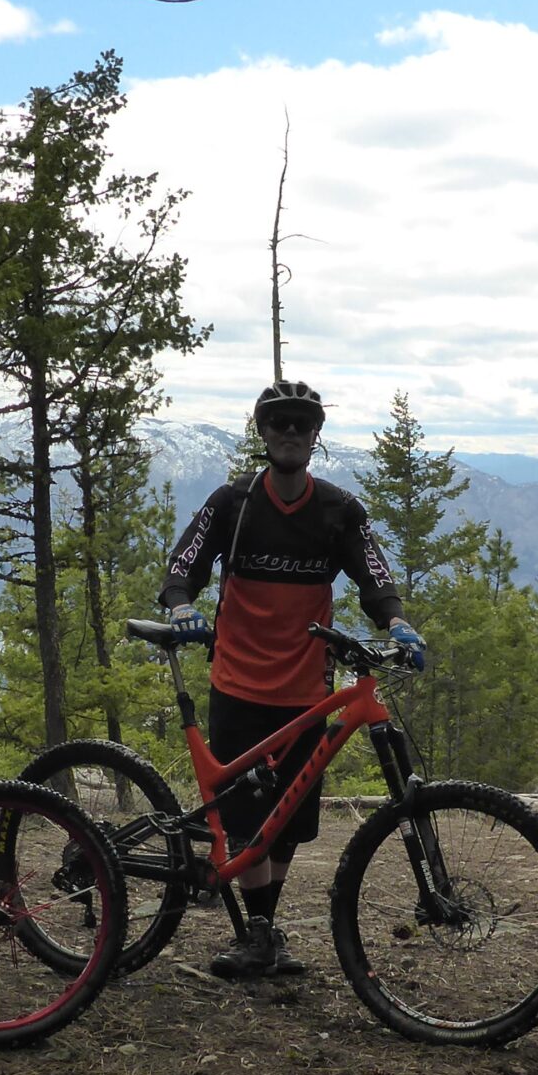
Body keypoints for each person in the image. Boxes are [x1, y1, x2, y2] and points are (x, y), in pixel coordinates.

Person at [156, 379, 428, 980]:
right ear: (263, 432)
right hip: (238, 682)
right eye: (278, 422)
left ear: (316, 435)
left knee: (288, 822)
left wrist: (398, 621)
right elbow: (184, 565)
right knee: (249, 818)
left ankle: (262, 929)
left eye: (301, 424)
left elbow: (373, 574)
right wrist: (180, 605)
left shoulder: (337, 510)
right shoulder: (234, 503)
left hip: (306, 688)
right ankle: (258, 933)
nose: (289, 432)